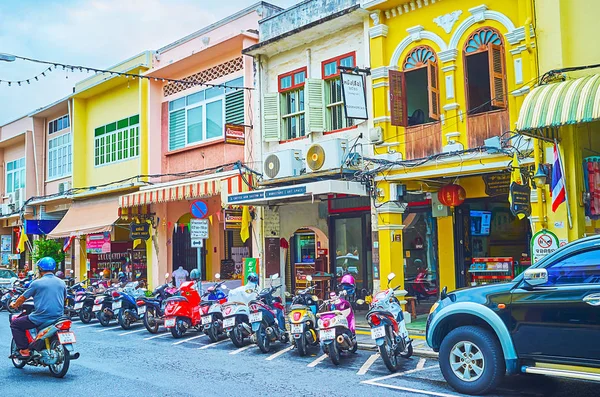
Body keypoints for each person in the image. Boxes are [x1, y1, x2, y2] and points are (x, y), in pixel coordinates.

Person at [9, 257, 66, 358]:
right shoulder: (62, 282)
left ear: (40, 269)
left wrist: (14, 304)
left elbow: (22, 298)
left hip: (41, 317)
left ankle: (25, 351)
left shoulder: (37, 283)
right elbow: (64, 298)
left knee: (15, 324)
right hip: (59, 317)